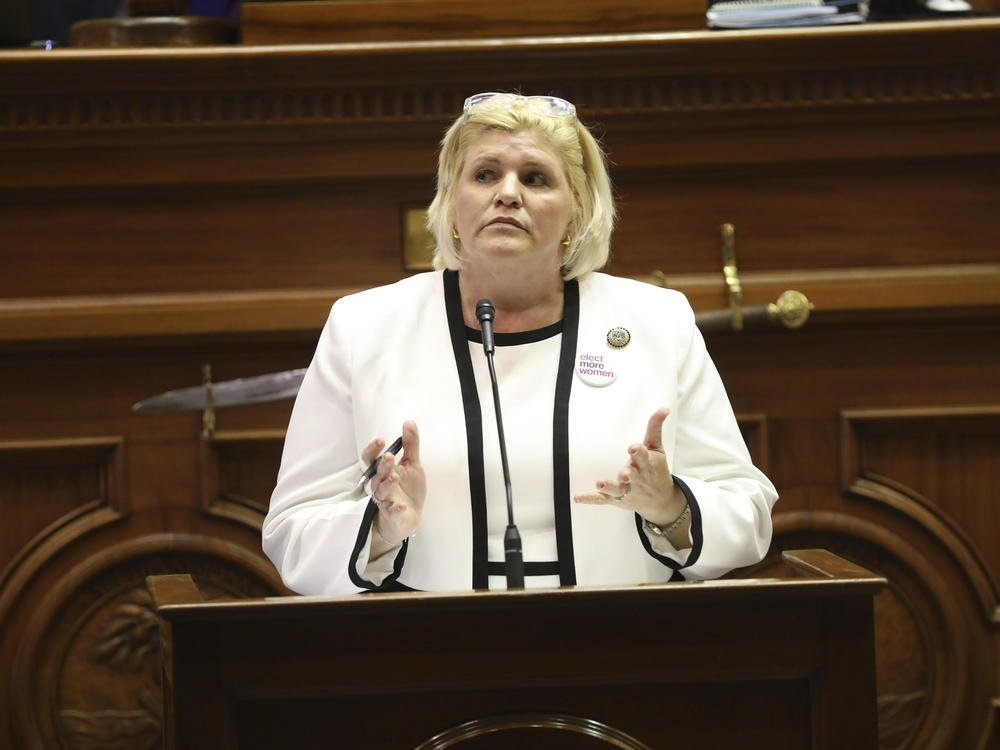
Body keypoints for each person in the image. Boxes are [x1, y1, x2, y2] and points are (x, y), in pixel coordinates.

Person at [263, 92, 778, 595]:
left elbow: (748, 512)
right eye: (485, 174)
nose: (507, 193)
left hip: (622, 642)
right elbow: (292, 531)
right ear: (451, 202)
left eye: (536, 178)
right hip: (424, 648)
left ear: (576, 213)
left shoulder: (657, 321)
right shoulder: (365, 326)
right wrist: (381, 529)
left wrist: (670, 505)